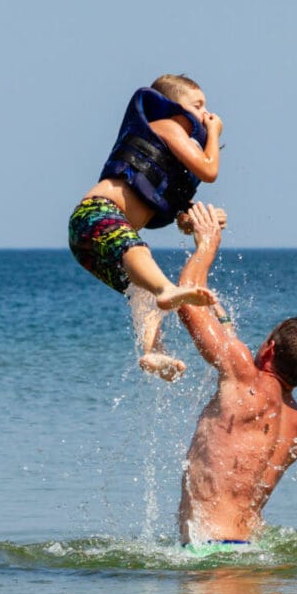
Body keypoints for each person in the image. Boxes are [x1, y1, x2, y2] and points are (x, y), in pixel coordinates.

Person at [171, 203, 297, 553]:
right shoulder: (296, 424)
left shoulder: (243, 377)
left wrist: (207, 244)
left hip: (206, 551)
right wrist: (222, 319)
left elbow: (183, 301)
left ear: (269, 350)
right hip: (247, 550)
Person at [68, 74, 227, 381]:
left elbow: (179, 219)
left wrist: (199, 220)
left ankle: (154, 350)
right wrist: (214, 131)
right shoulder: (167, 127)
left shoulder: (171, 159)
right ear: (172, 106)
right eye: (199, 105)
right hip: (96, 213)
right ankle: (167, 290)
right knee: (140, 255)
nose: (207, 114)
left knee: (140, 288)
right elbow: (209, 169)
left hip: (91, 240)